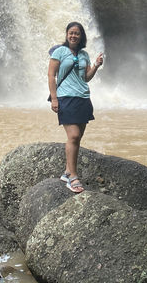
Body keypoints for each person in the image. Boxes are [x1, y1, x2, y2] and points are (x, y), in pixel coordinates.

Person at [48, 21, 104, 194]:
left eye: (77, 33)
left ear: (81, 37)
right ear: (67, 35)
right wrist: (55, 99)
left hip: (83, 98)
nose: (73, 36)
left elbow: (86, 77)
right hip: (65, 98)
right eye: (71, 33)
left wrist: (95, 65)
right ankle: (73, 176)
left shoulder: (84, 55)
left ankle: (67, 172)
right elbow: (51, 76)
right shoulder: (59, 52)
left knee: (77, 139)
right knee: (73, 135)